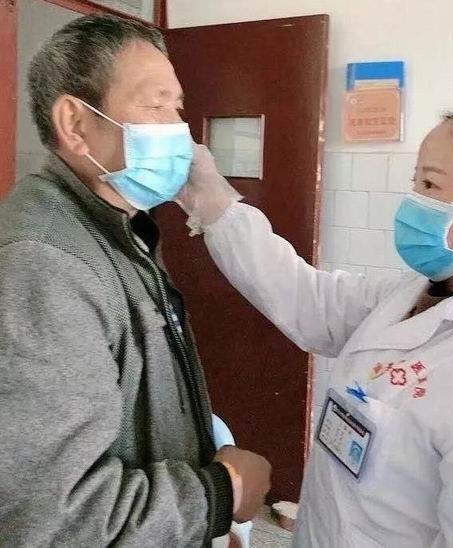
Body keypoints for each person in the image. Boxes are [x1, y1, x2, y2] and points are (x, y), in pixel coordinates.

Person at [177, 84, 453, 547]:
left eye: (431, 185)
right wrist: (211, 199)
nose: (412, 201)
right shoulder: (410, 297)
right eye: (415, 182)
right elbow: (305, 297)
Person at [0, 14, 271, 547]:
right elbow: (51, 518)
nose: (180, 131)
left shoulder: (116, 226)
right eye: (156, 106)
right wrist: (221, 494)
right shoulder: (45, 264)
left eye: (178, 109)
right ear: (76, 123)